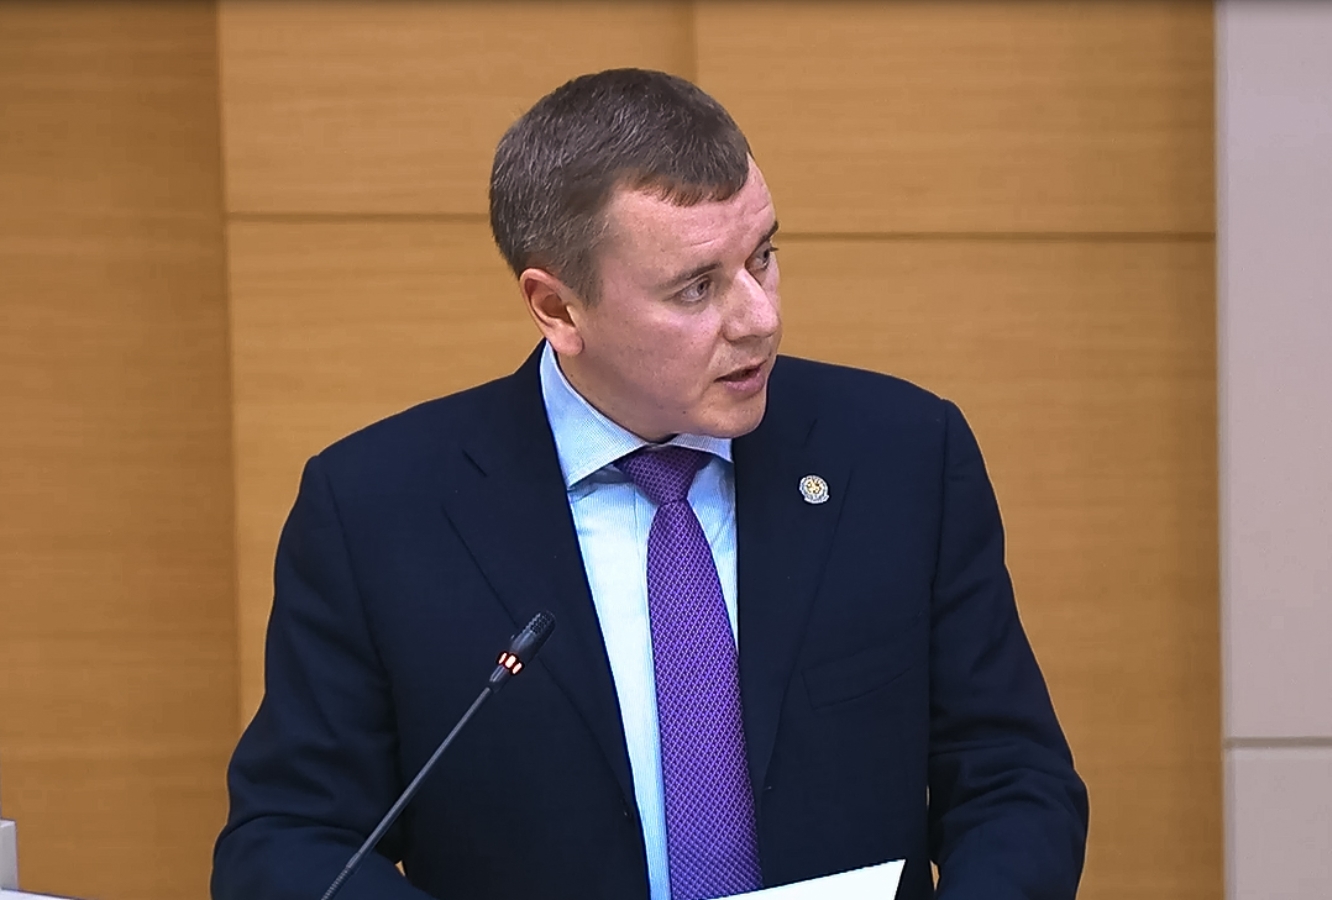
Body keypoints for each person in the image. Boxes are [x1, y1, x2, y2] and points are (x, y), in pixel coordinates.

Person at [213, 68, 1087, 900]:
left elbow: (1013, 779)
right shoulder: (379, 510)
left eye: (763, 257)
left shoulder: (900, 456)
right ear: (557, 308)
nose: (760, 319)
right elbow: (291, 839)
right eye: (697, 289)